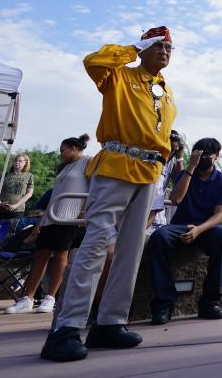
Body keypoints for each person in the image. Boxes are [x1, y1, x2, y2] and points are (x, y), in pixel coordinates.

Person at [40, 27, 177, 363]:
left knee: (131, 249)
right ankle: (66, 327)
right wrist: (133, 48)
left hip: (150, 172)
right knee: (97, 242)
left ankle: (110, 322)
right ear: (145, 47)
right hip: (117, 165)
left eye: (170, 48)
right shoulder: (119, 75)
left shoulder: (166, 89)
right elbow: (93, 61)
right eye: (158, 46)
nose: (165, 52)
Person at [146, 138, 222, 324]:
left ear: (216, 157)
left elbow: (220, 215)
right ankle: (164, 304)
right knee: (158, 238)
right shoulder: (186, 174)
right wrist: (190, 168)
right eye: (199, 155)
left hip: (207, 228)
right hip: (181, 226)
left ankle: (210, 302)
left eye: (206, 156)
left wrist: (199, 230)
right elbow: (176, 199)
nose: (202, 159)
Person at [4, 135, 90, 314]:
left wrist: (83, 211)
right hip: (52, 216)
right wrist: (39, 224)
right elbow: (55, 195)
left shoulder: (88, 162)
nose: (61, 154)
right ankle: (27, 298)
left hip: (70, 216)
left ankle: (50, 297)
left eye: (63, 150)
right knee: (41, 254)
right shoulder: (64, 167)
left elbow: (93, 187)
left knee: (60, 254)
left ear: (73, 148)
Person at [147, 131, 185, 232]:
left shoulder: (172, 159)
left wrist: (179, 157)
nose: (170, 151)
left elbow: (180, 180)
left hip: (156, 209)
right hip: (144, 204)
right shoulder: (153, 155)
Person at [0, 153, 34, 221]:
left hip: (17, 212)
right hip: (1, 211)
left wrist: (16, 205)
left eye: (20, 161)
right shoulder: (5, 174)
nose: (17, 162)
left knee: (12, 231)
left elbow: (29, 193)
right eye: (15, 160)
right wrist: (0, 203)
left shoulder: (29, 176)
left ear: (25, 163)